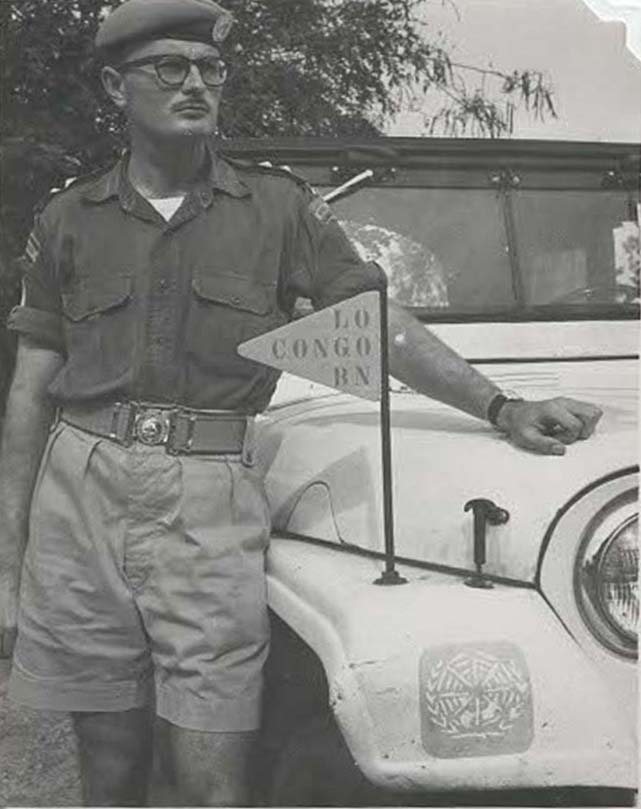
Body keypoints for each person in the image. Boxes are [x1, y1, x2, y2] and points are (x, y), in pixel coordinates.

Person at [0, 0, 602, 805]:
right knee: (107, 755)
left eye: (211, 69)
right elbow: (29, 391)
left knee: (212, 770)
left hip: (207, 491)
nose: (195, 84)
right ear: (116, 84)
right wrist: (8, 564)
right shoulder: (69, 217)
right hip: (78, 487)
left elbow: (375, 322)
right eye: (168, 67)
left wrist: (498, 406)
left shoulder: (279, 210)